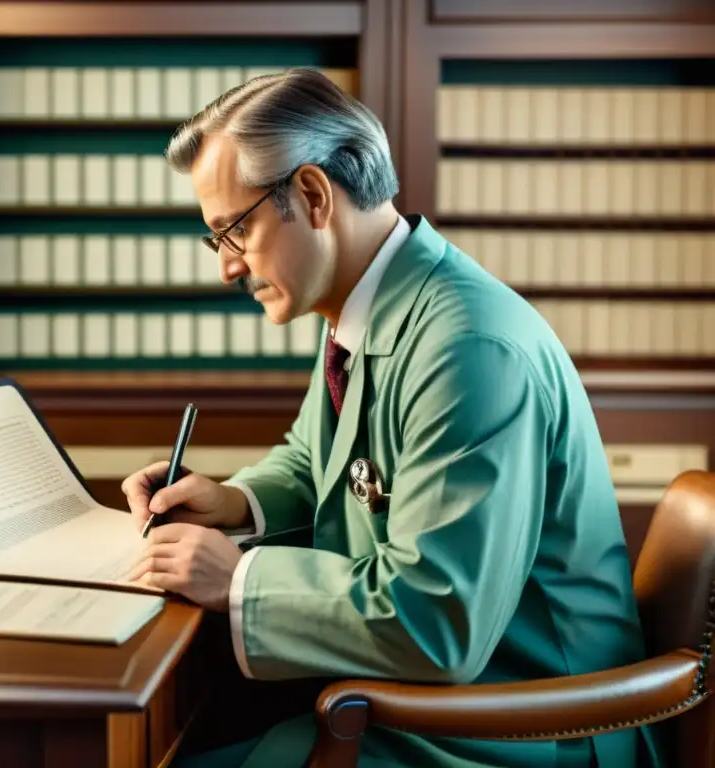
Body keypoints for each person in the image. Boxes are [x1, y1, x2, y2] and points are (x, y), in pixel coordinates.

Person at [120, 68, 661, 768]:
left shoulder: (469, 349)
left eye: (234, 231)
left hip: (529, 725)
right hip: (426, 700)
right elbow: (319, 458)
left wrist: (239, 580)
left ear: (312, 195)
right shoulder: (363, 302)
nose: (227, 267)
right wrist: (233, 501)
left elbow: (440, 622)